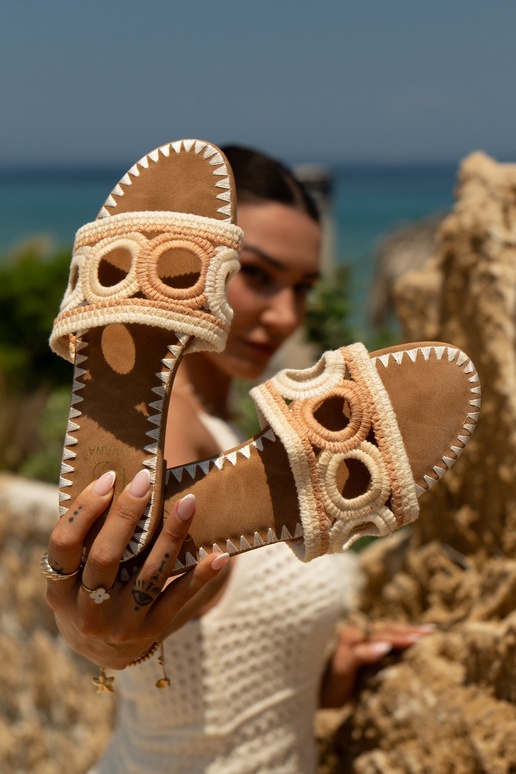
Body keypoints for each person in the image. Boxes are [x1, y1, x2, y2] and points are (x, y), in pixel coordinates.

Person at [45, 145, 432, 774]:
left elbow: (227, 670)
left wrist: (327, 677)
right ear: (194, 270)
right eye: (257, 275)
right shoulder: (173, 429)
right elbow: (120, 620)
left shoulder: (234, 438)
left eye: (303, 288)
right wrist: (101, 636)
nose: (287, 315)